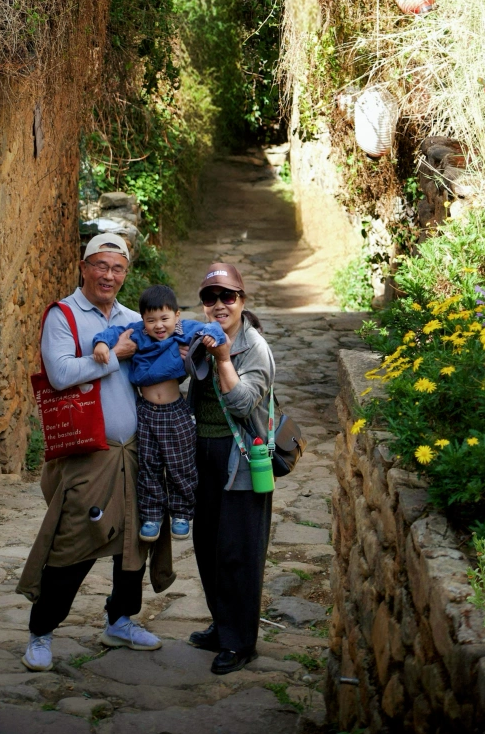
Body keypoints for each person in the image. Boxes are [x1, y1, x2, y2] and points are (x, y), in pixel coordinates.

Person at [16, 234, 174, 671]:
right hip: (89, 454)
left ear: (125, 273)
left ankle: (120, 620)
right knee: (74, 542)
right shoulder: (63, 315)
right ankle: (41, 632)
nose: (109, 275)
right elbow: (59, 373)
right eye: (101, 265)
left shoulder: (133, 318)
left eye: (117, 268)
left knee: (136, 540)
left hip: (136, 450)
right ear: (84, 267)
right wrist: (114, 355)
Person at [187, 262, 276, 676]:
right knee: (208, 546)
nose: (219, 304)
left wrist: (223, 359)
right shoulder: (202, 337)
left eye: (227, 296)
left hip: (241, 459)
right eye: (211, 297)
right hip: (204, 455)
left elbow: (242, 404)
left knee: (239, 552)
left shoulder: (254, 347)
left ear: (241, 300)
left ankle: (240, 643)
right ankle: (223, 625)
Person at [92, 284, 227, 542]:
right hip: (146, 413)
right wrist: (100, 343)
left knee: (181, 464)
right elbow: (114, 332)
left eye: (164, 318)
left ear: (177, 315)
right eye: (151, 320)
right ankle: (152, 515)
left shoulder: (183, 330)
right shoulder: (139, 335)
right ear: (143, 320)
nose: (158, 326)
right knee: (149, 465)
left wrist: (212, 337)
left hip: (175, 412)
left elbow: (211, 328)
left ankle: (181, 513)